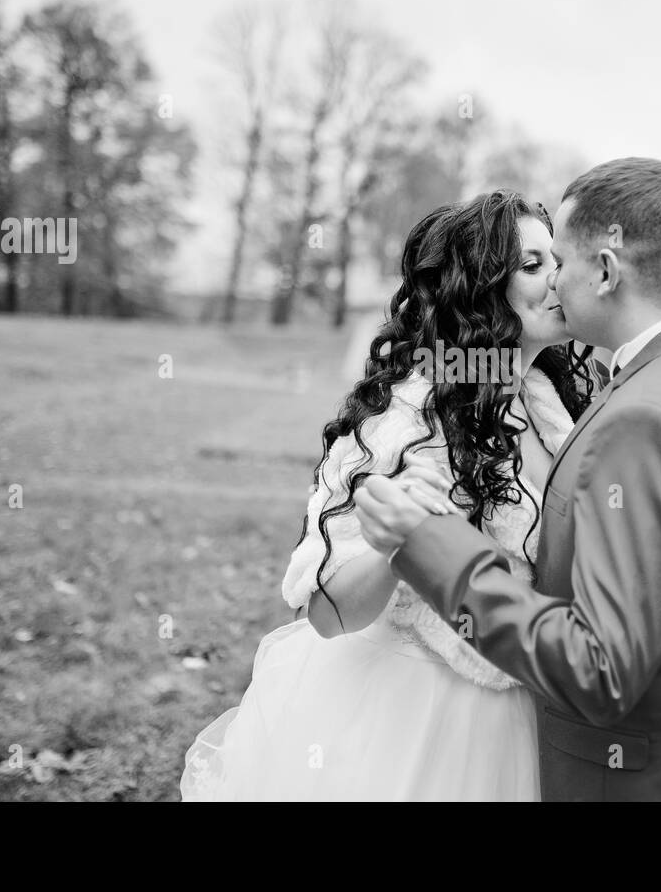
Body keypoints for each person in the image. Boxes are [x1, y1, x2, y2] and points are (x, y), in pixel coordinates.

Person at [356, 157, 661, 801]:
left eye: (561, 260)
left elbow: (601, 670)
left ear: (605, 271)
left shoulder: (643, 422)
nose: (553, 281)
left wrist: (431, 544)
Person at [181, 190, 601, 801]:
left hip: (522, 708)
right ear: (478, 289)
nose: (558, 280)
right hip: (405, 714)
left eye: (557, 261)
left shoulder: (555, 407)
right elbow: (328, 614)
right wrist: (397, 544)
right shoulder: (405, 419)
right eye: (531, 265)